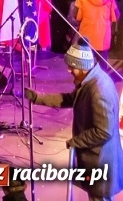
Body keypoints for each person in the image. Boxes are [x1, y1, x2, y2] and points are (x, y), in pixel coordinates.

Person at [33, 40, 123, 199]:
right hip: (97, 157)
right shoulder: (91, 80)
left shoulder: (98, 91)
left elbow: (103, 132)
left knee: (99, 197)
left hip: (101, 160)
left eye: (72, 67)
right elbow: (69, 98)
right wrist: (37, 98)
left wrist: (76, 141)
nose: (68, 70)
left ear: (82, 66)